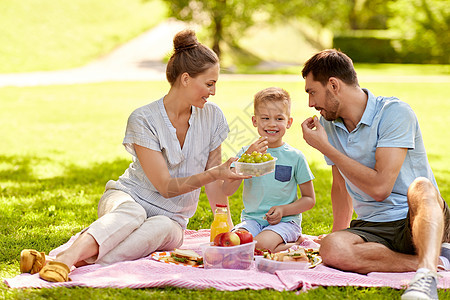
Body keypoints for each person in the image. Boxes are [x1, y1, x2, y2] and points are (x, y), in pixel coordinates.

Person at [19, 29, 249, 282]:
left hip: (172, 219)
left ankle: (56, 261)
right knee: (134, 214)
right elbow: (165, 187)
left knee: (159, 228)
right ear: (185, 79)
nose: (214, 91)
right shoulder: (143, 118)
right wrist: (214, 173)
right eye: (209, 83)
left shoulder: (213, 117)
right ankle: (64, 261)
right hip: (127, 198)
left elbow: (215, 187)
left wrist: (226, 235)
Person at [300, 49, 450, 300]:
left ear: (334, 85)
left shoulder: (394, 113)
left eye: (312, 92)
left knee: (422, 186)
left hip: (414, 217)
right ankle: (435, 260)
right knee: (332, 248)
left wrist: (325, 148)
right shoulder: (328, 124)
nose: (311, 104)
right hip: (373, 228)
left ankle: (425, 278)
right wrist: (336, 236)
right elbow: (340, 185)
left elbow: (381, 187)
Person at [223, 87, 315, 252]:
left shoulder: (296, 157)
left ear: (289, 122)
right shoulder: (246, 153)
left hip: (286, 222)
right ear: (254, 121)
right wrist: (245, 161)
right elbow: (227, 190)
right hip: (252, 221)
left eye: (279, 118)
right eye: (265, 118)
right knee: (233, 243)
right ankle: (284, 246)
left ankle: (293, 244)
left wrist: (283, 210)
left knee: (258, 246)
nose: (272, 124)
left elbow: (309, 199)